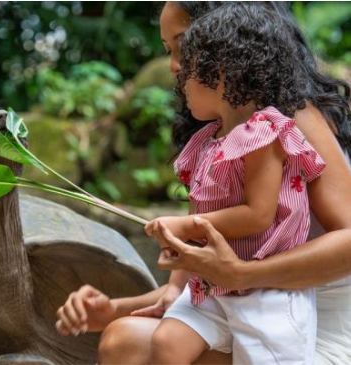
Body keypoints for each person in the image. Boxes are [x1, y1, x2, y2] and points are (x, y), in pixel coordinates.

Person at [55, 2, 351, 365]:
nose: (174, 66)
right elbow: (193, 288)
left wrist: (243, 273)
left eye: (183, 46)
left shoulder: (290, 120)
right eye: (169, 50)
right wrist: (111, 309)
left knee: (130, 345)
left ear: (229, 47)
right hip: (237, 304)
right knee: (121, 337)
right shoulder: (217, 136)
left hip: (307, 320)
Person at [144, 3, 323, 364]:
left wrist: (187, 225)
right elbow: (201, 205)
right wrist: (180, 247)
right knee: (167, 343)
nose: (176, 74)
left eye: (189, 67)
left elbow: (259, 215)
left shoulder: (264, 132)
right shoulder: (207, 139)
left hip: (267, 294)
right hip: (213, 284)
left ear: (223, 73)